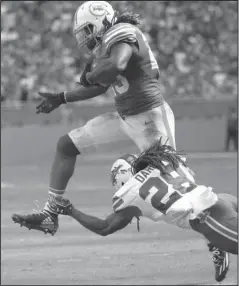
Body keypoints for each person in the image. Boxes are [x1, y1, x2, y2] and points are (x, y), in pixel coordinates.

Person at [12, 1, 176, 235]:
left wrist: (89, 75)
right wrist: (62, 97)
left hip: (151, 119)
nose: (85, 37)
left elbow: (115, 66)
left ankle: (214, 232)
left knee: (175, 184)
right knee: (66, 145)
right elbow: (99, 86)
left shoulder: (123, 32)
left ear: (103, 21)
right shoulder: (105, 45)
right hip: (124, 118)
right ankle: (50, 213)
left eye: (88, 30)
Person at [12, 141, 238, 282]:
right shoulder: (167, 162)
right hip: (221, 201)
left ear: (120, 178)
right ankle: (216, 243)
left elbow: (104, 228)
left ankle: (217, 243)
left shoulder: (130, 193)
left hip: (209, 220)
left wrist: (70, 210)